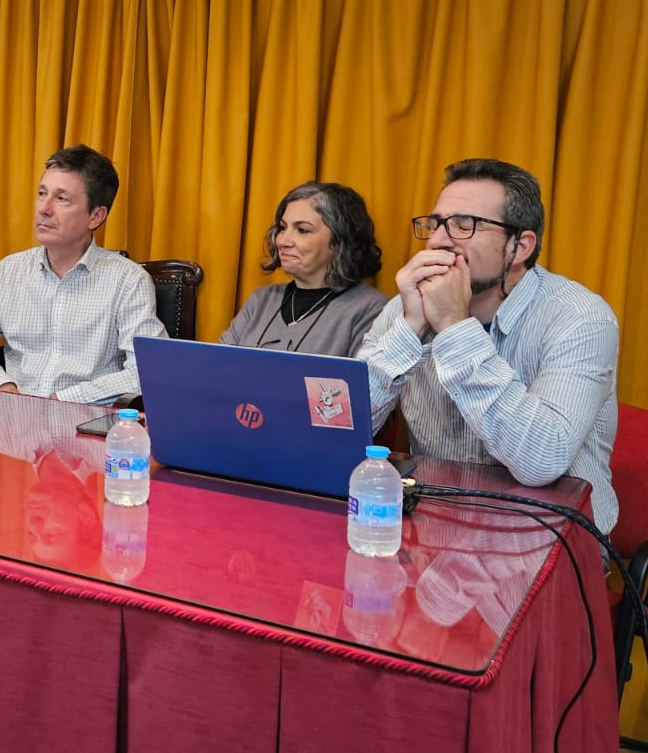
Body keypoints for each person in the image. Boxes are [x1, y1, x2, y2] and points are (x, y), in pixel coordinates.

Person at [357, 158, 620, 534]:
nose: (438, 241)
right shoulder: (407, 306)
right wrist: (411, 327)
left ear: (520, 246)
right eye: (436, 224)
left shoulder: (581, 318)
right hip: (437, 530)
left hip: (549, 540)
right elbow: (339, 425)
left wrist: (453, 325)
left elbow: (540, 460)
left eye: (465, 225)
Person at [0, 145, 167, 405]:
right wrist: (2, 384)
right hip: (13, 422)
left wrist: (61, 399)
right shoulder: (10, 271)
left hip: (84, 427)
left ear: (96, 216)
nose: (44, 208)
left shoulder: (128, 281)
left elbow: (146, 372)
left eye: (62, 198)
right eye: (42, 194)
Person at [220, 181, 387, 356]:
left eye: (302, 230)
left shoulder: (372, 310)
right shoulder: (260, 300)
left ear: (340, 241)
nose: (282, 241)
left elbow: (362, 381)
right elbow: (217, 367)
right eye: (283, 228)